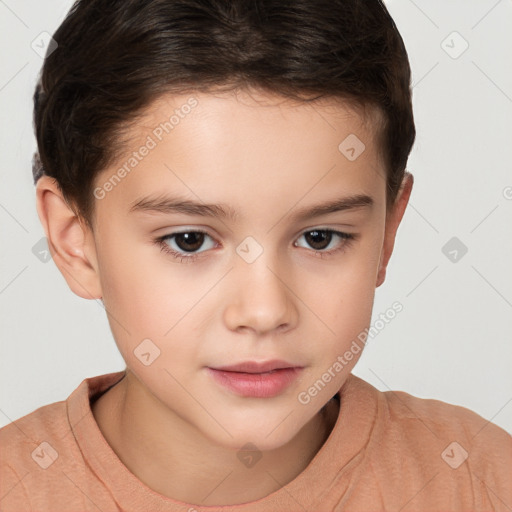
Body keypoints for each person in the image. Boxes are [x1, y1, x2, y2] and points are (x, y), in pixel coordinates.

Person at [1, 0, 510, 510]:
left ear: (387, 233)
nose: (264, 312)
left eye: (320, 238)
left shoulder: (482, 480)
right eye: (190, 240)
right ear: (76, 242)